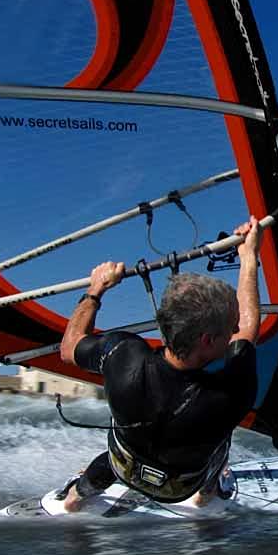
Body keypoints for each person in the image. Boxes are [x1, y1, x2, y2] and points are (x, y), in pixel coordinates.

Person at [57, 216, 262, 512]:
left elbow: (69, 347)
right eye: (228, 328)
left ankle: (75, 498)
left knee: (119, 455)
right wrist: (248, 258)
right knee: (222, 442)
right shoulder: (232, 392)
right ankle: (206, 495)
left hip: (124, 465)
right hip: (180, 486)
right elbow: (248, 329)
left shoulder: (122, 355)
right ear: (205, 340)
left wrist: (96, 289)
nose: (233, 332)